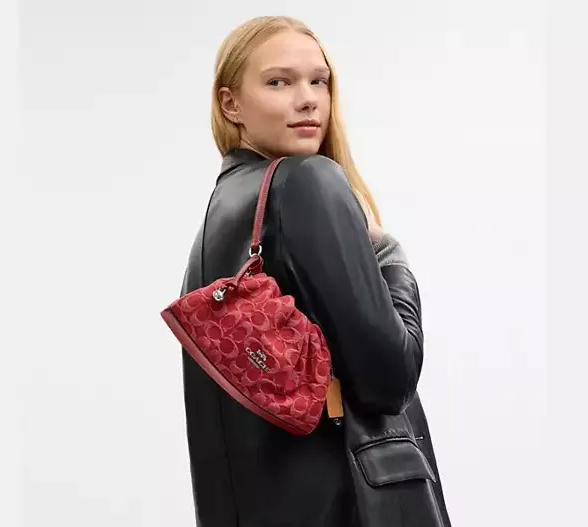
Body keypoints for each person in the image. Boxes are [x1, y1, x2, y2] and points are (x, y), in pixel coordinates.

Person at [177, 15, 452, 527]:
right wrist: (389, 258)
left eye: (318, 81)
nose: (308, 100)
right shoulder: (307, 181)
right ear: (230, 103)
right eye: (278, 82)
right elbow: (390, 378)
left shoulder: (217, 219)